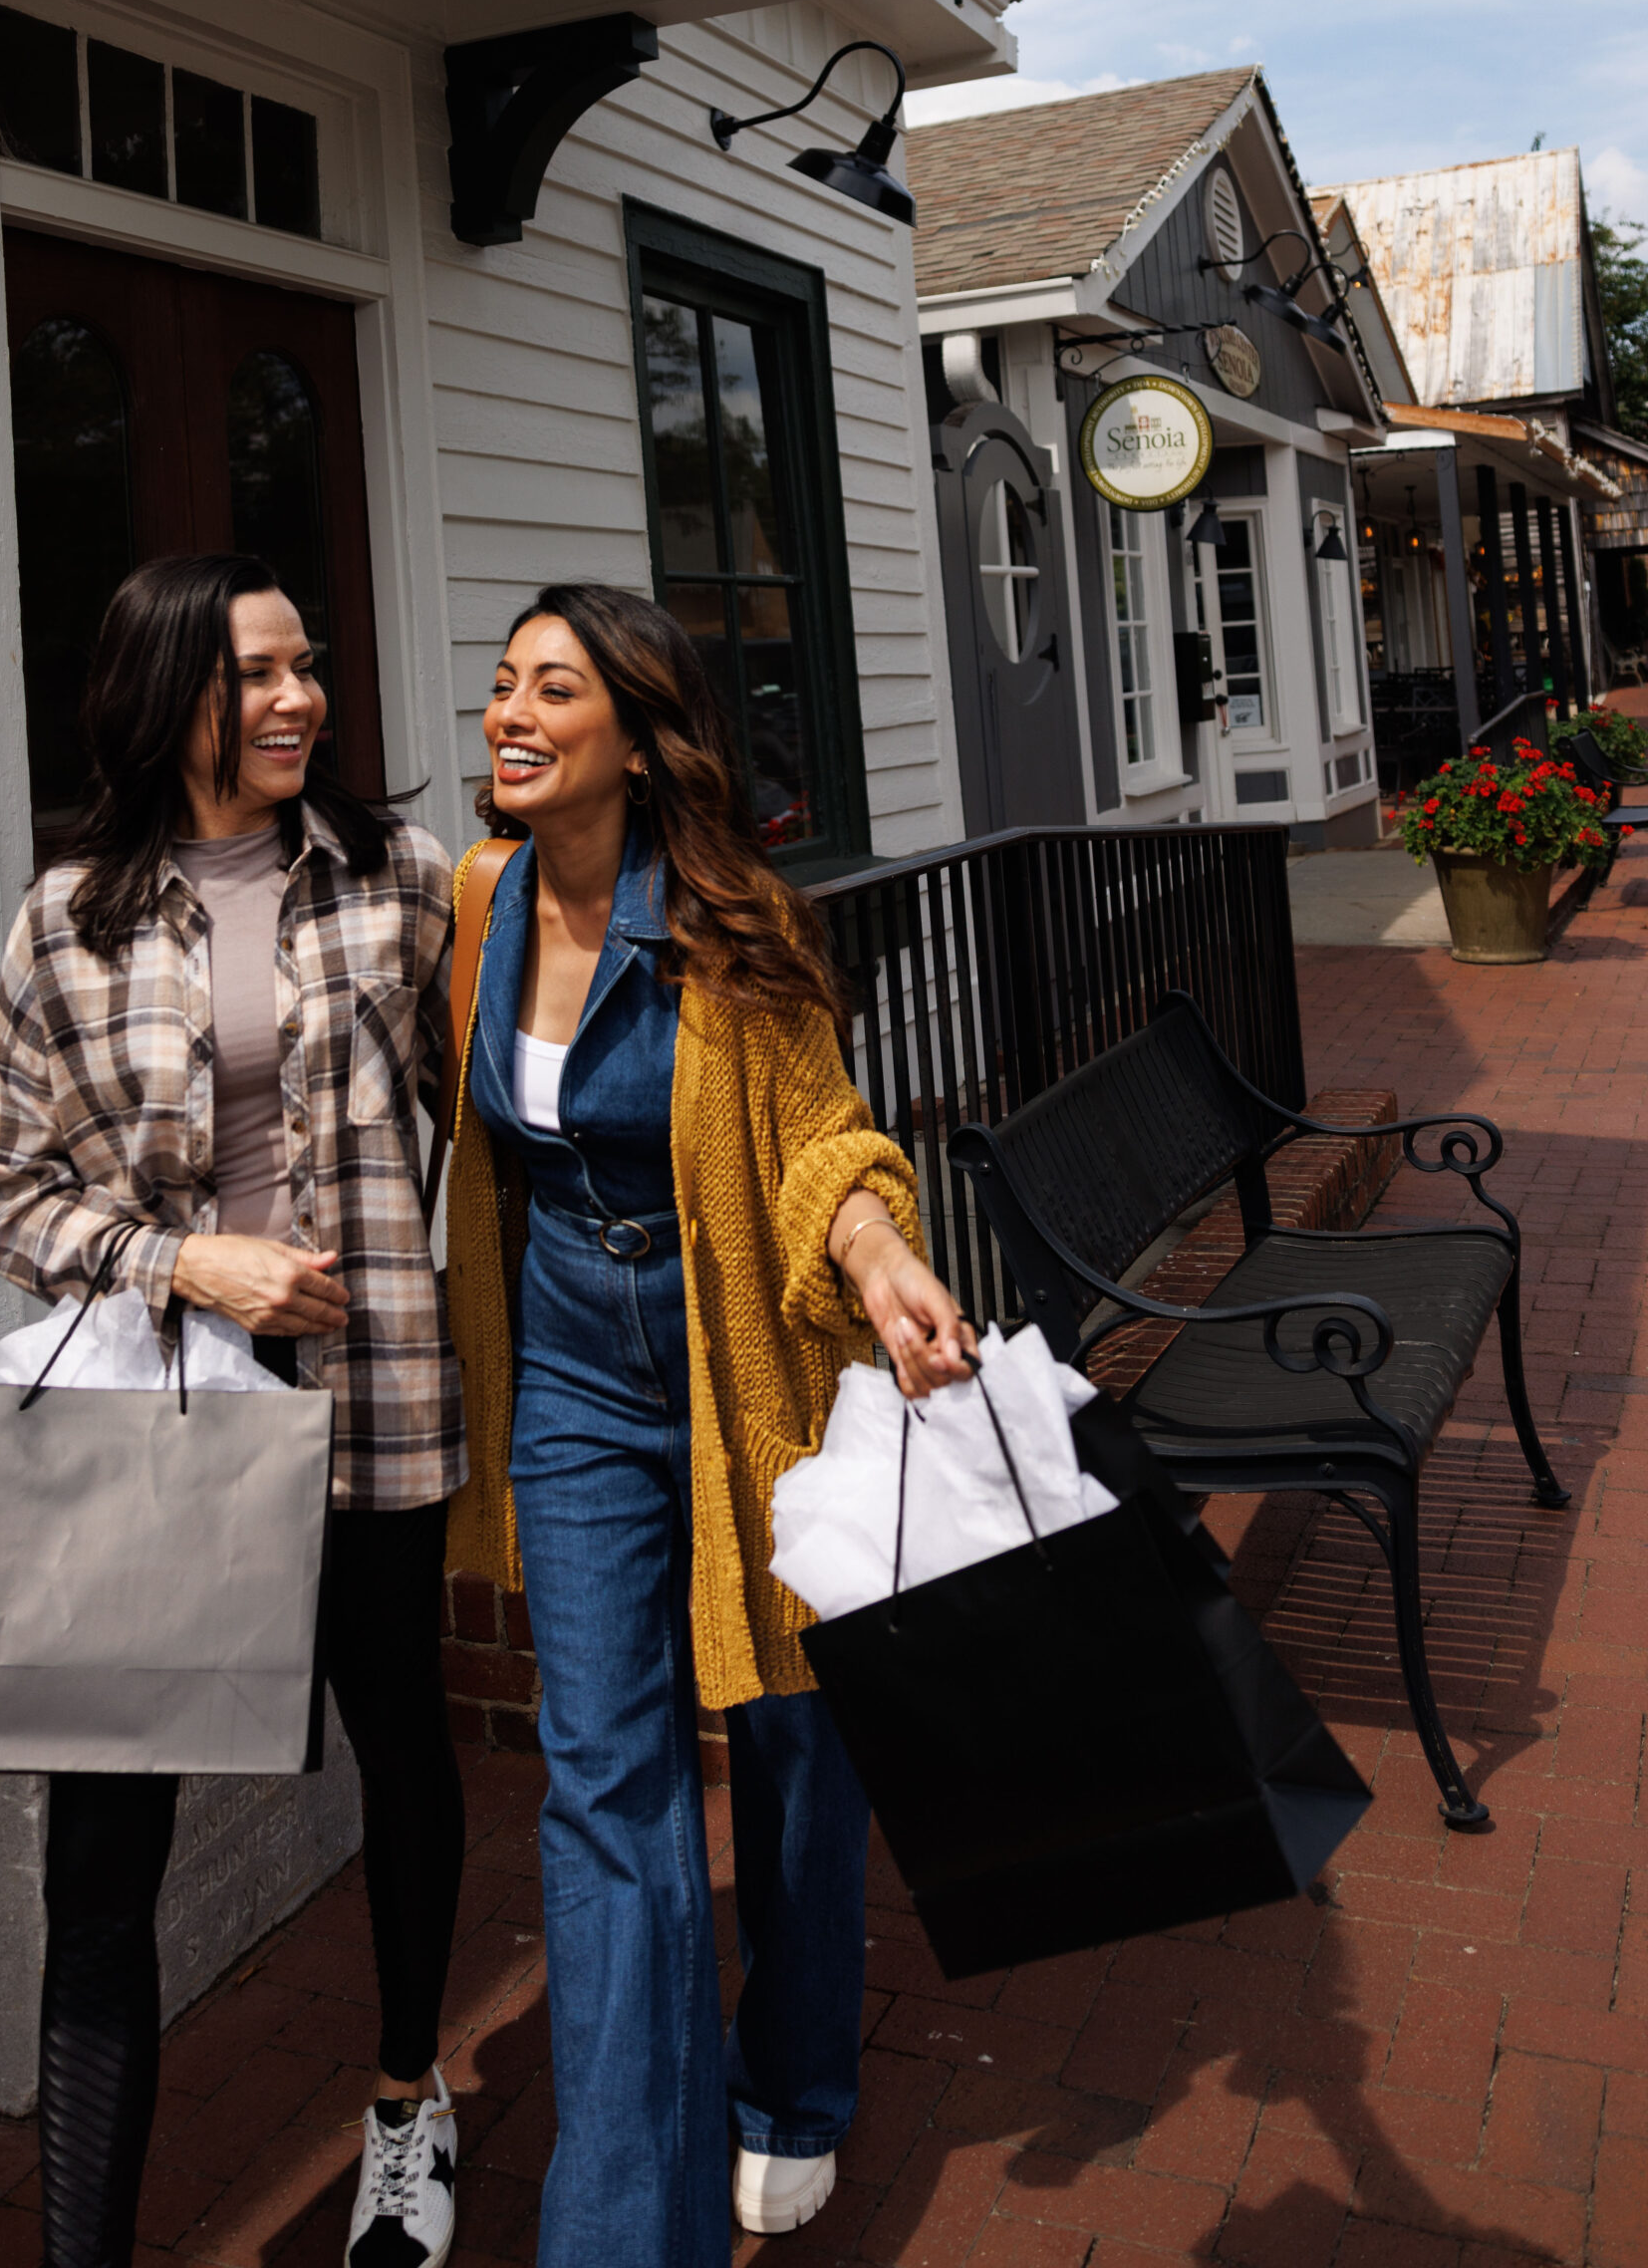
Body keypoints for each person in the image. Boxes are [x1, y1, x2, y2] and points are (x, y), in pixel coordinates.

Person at [442, 584, 974, 2264]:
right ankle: (623, 2235)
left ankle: (798, 2081)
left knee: (800, 1743)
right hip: (575, 1380)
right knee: (607, 1793)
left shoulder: (733, 921)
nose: (509, 717)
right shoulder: (478, 902)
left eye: (551, 689)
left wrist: (878, 1244)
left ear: (635, 730)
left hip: (746, 1358)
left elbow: (823, 1135)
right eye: (501, 688)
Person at [0, 554, 465, 2268]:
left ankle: (408, 2107)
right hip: (157, 1441)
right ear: (168, 686)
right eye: (257, 671)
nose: (298, 698)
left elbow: (496, 1102)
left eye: (307, 666)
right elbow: (6, 1196)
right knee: (104, 1853)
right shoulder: (65, 917)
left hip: (376, 1401)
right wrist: (191, 1266)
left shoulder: (401, 882)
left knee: (405, 1763)